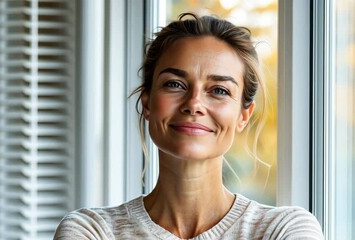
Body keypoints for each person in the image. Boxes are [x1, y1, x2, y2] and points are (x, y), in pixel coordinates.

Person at [54, 13, 323, 239]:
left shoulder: (285, 229)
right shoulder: (91, 231)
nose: (194, 103)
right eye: (174, 84)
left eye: (218, 90)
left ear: (244, 116)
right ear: (147, 102)